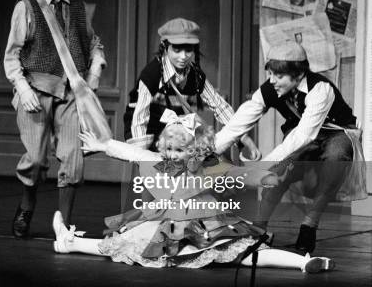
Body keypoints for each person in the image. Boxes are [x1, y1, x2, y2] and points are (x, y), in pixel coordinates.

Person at [52, 112, 335, 273]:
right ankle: (68, 241)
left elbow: (239, 173)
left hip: (206, 224)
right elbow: (130, 152)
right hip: (163, 224)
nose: (174, 155)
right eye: (170, 149)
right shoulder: (156, 164)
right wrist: (104, 145)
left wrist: (266, 177)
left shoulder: (206, 167)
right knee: (122, 243)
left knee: (244, 253)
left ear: (194, 149)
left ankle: (304, 262)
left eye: (181, 149)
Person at [215, 40, 366, 253]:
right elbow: (238, 123)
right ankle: (260, 229)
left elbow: (305, 134)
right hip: (300, 132)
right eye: (270, 74)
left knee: (336, 156)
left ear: (298, 74)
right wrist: (210, 152)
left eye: (279, 76)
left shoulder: (320, 88)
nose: (272, 81)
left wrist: (263, 165)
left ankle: (309, 224)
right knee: (280, 171)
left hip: (335, 133)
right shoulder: (270, 88)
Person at [4, 0, 106, 238]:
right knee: (36, 159)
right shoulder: (27, 6)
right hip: (35, 90)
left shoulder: (77, 8)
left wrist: (95, 70)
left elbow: (94, 44)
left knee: (74, 158)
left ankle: (64, 224)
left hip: (71, 93)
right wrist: (22, 89)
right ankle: (27, 204)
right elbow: (12, 55)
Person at [123, 17, 259, 158]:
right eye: (177, 50)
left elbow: (219, 106)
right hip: (144, 128)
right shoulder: (152, 74)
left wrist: (244, 139)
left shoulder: (194, 74)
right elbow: (140, 117)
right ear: (165, 47)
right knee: (161, 170)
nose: (183, 57)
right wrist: (141, 155)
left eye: (188, 50)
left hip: (175, 126)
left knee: (208, 160)